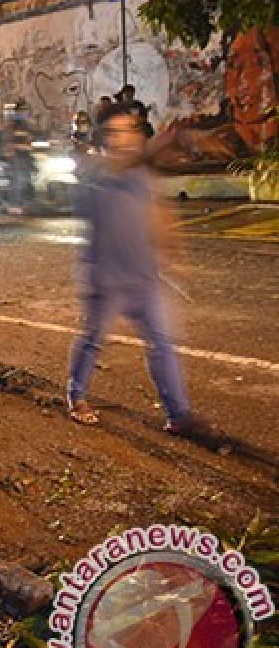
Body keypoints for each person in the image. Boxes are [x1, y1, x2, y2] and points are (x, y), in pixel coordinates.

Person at [66, 105, 218, 442]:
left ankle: (178, 415)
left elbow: (158, 214)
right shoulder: (93, 171)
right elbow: (123, 162)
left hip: (144, 278)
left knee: (162, 345)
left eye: (129, 131)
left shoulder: (141, 177)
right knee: (92, 340)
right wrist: (177, 136)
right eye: (115, 132)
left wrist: (173, 254)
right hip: (105, 281)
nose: (123, 140)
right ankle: (76, 396)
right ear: (103, 139)